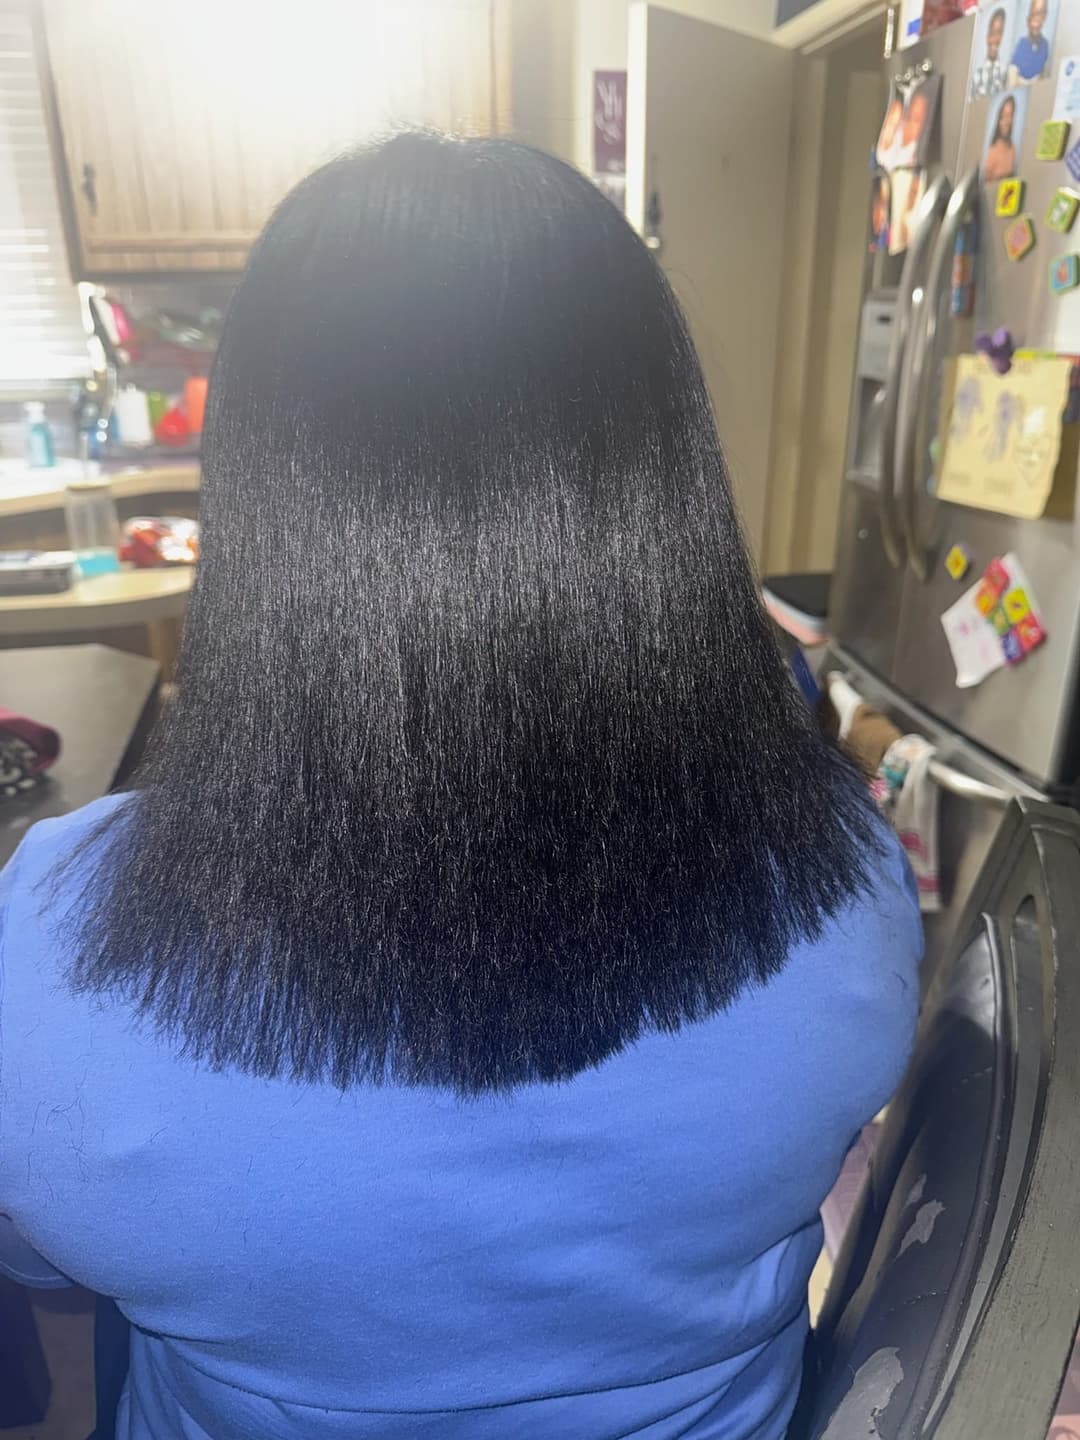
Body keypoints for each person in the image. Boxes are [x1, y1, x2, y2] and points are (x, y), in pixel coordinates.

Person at [0, 134, 922, 1440]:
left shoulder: (58, 947)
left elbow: (44, 1258)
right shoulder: (849, 886)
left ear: (260, 505)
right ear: (665, 480)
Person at [1009, 0, 1050, 84]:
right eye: (1035, 13)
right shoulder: (1022, 43)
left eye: (1041, 13)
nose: (1037, 20)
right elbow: (1013, 72)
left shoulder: (1045, 45)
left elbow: (1044, 75)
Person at [971, 7, 1008, 99]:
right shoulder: (976, 75)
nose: (995, 39)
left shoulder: (1005, 72)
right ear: (987, 36)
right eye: (992, 33)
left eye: (999, 32)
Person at [984, 94, 1019, 181]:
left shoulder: (1012, 149)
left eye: (1009, 116)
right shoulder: (992, 152)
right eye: (1003, 116)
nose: (1005, 122)